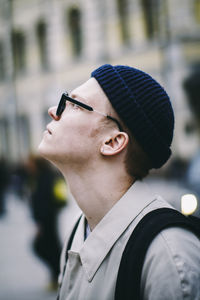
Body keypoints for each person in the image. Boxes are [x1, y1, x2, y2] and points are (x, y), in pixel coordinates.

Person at [38, 64, 200, 300]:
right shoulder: (80, 232)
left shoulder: (167, 254)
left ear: (113, 141)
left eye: (74, 104)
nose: (54, 110)